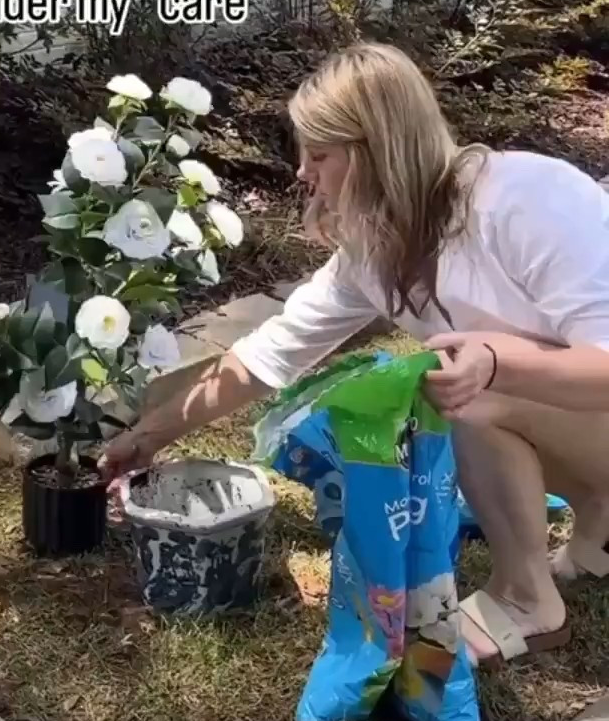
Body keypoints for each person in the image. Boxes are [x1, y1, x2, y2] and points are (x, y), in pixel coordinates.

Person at [99, 42, 609, 670]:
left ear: (379, 153)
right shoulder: (375, 251)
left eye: (319, 155)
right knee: (472, 383)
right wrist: (148, 436)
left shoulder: (528, 198)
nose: (302, 174)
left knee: (473, 387)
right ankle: (599, 528)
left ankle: (529, 602)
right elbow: (265, 356)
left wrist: (497, 364)